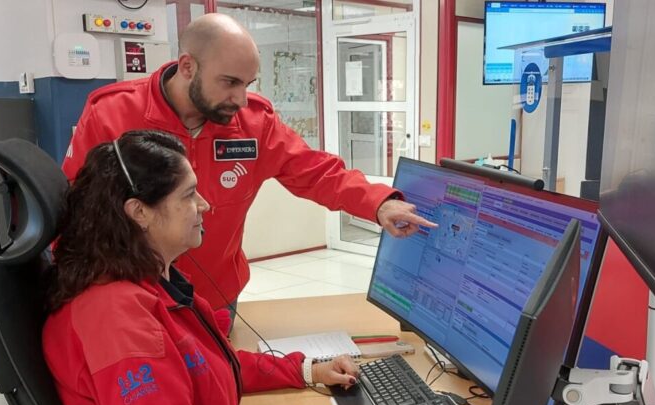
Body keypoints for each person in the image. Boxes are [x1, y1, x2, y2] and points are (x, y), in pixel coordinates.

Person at [61, 13, 435, 331]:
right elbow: (76, 212)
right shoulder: (112, 114)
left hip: (218, 296)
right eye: (229, 83)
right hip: (135, 297)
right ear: (187, 66)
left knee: (220, 393)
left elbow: (315, 171)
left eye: (248, 85)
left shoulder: (253, 122)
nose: (240, 99)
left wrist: (379, 203)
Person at [44, 130, 404, 405]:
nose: (205, 205)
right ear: (139, 212)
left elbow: (207, 364)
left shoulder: (149, 281)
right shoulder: (115, 318)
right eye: (188, 195)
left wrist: (306, 368)